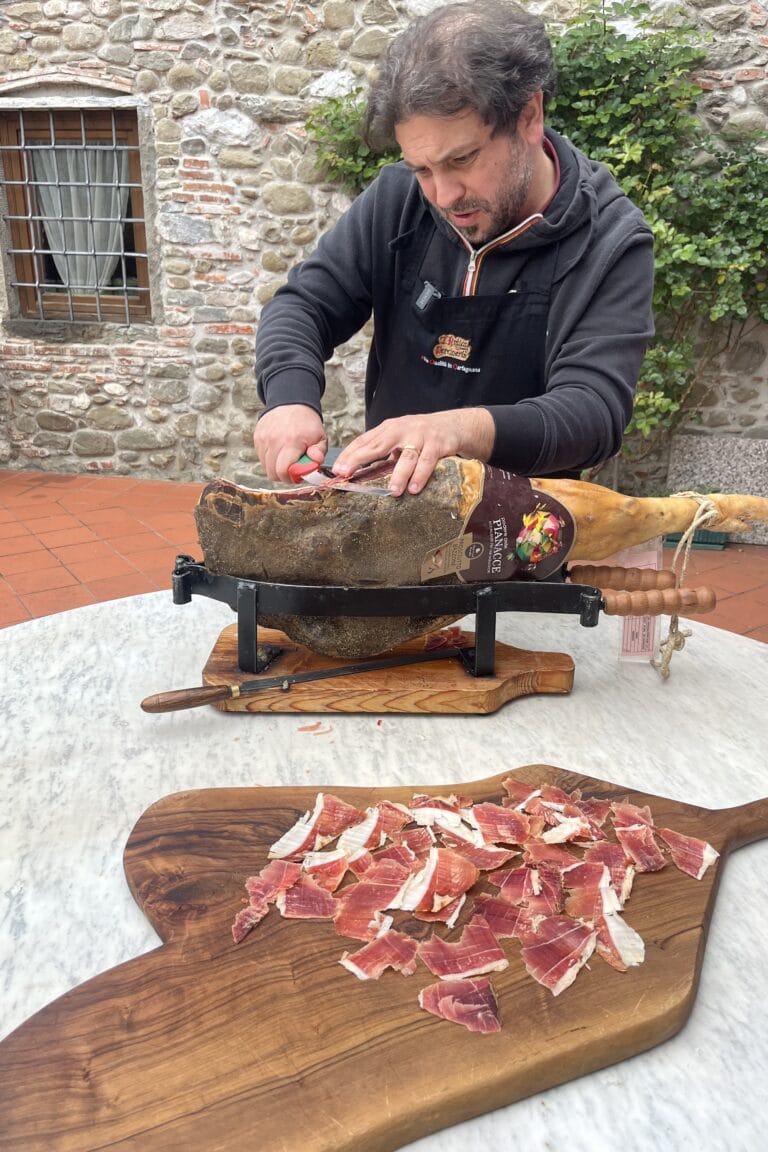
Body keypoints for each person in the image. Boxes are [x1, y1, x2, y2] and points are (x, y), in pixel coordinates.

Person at [254, 0, 654, 497]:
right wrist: (288, 397)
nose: (442, 196)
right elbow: (304, 305)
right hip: (385, 518)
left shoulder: (610, 240)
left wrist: (455, 431)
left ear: (529, 116)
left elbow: (592, 413)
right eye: (422, 169)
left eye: (461, 159)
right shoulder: (398, 199)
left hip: (518, 544)